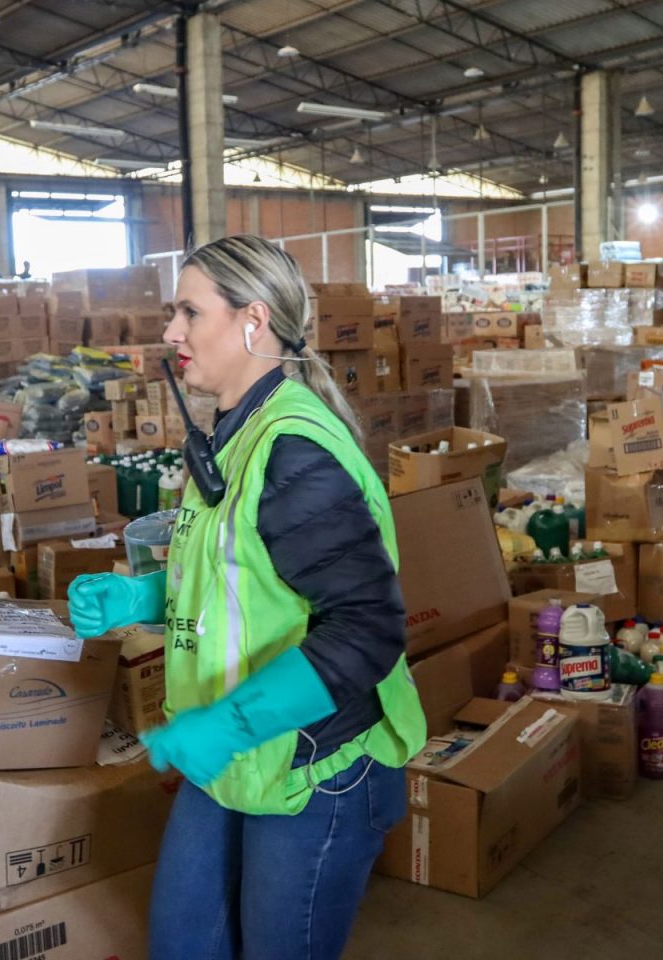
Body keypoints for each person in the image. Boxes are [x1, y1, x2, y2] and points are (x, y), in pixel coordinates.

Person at [67, 235, 423, 960]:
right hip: (235, 752)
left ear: (252, 321)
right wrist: (141, 598)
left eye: (189, 313)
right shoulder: (236, 431)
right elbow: (243, 572)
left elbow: (366, 630)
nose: (171, 333)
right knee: (183, 943)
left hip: (312, 764)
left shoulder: (295, 448)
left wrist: (228, 726)